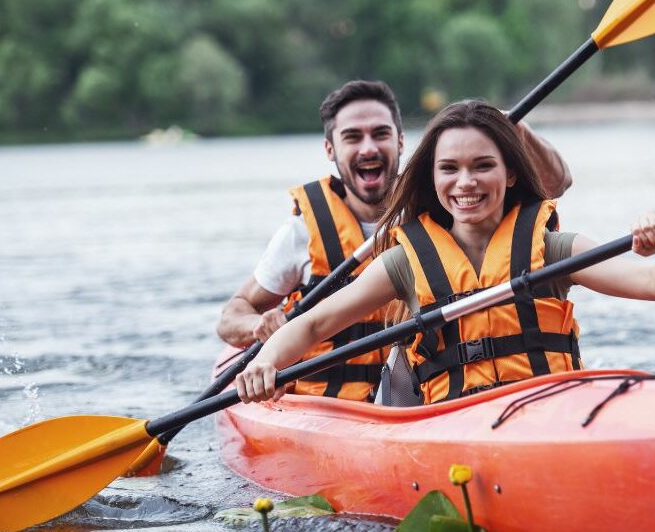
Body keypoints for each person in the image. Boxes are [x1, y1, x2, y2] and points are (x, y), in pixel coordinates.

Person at [234, 99, 655, 406]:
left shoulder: (551, 248)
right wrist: (264, 364)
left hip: (550, 412)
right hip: (452, 425)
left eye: (483, 166)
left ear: (510, 174)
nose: (465, 182)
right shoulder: (406, 263)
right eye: (449, 169)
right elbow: (313, 322)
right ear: (433, 179)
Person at [217, 81, 572, 401]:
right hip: (326, 400)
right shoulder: (301, 234)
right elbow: (231, 318)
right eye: (353, 137)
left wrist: (511, 128)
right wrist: (258, 328)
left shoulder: (444, 205)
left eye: (380, 134)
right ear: (330, 149)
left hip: (412, 391)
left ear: (400, 141)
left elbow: (554, 184)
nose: (369, 148)